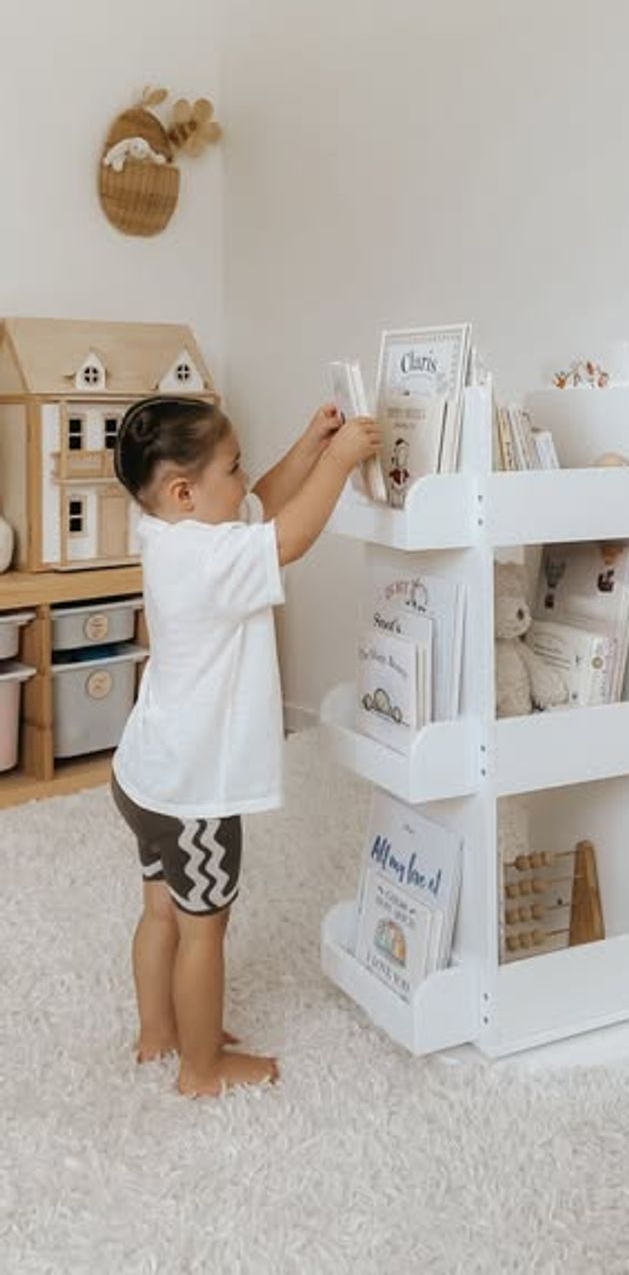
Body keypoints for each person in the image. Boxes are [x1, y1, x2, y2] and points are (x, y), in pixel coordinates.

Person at [111, 393, 381, 1097]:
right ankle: (202, 1070)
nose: (245, 477)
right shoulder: (214, 558)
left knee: (160, 910)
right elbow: (287, 536)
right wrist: (344, 462)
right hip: (196, 793)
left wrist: (311, 444)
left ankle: (158, 1032)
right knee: (205, 930)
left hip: (146, 776)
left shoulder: (168, 532)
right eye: (231, 466)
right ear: (184, 491)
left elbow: (260, 503)